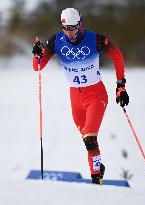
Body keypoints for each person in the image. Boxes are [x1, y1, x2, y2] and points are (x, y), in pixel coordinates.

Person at [32, 8, 129, 185]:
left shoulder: (95, 39)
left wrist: (120, 85)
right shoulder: (56, 41)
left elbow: (117, 56)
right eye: (66, 28)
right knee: (89, 143)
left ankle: (95, 180)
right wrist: (37, 53)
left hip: (96, 95)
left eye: (74, 28)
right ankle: (98, 168)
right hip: (75, 99)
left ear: (81, 24)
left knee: (89, 139)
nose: (70, 32)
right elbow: (38, 66)